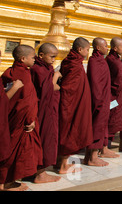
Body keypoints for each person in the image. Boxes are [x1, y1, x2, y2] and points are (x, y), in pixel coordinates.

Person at [0, 45, 42, 191]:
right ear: (23, 59)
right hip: (19, 121)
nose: (35, 60)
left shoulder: (11, 71)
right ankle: (5, 183)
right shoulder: (22, 74)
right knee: (10, 152)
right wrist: (30, 120)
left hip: (14, 119)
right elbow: (25, 102)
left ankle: (8, 181)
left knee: (13, 152)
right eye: (32, 57)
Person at [57, 37, 93, 174]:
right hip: (71, 104)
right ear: (80, 49)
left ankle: (59, 162)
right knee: (69, 132)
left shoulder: (69, 61)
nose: (88, 52)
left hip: (72, 102)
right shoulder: (75, 65)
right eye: (87, 49)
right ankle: (62, 166)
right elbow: (69, 88)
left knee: (66, 131)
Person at [30, 43, 61, 183]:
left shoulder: (45, 68)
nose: (54, 60)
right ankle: (40, 174)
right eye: (52, 56)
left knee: (46, 139)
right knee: (43, 139)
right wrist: (55, 78)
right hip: (41, 111)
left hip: (47, 109)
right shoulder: (39, 70)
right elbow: (47, 90)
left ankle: (36, 171)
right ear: (41, 55)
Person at [85, 38, 112, 167]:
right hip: (99, 100)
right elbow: (96, 83)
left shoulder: (101, 60)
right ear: (98, 48)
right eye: (105, 46)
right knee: (97, 127)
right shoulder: (95, 61)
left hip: (104, 99)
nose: (107, 48)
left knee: (99, 126)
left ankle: (88, 157)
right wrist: (99, 101)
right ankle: (93, 157)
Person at [105, 37, 122, 156]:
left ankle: (108, 144)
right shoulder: (111, 60)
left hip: (119, 98)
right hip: (113, 98)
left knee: (115, 118)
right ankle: (105, 146)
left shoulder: (117, 60)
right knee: (110, 118)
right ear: (115, 48)